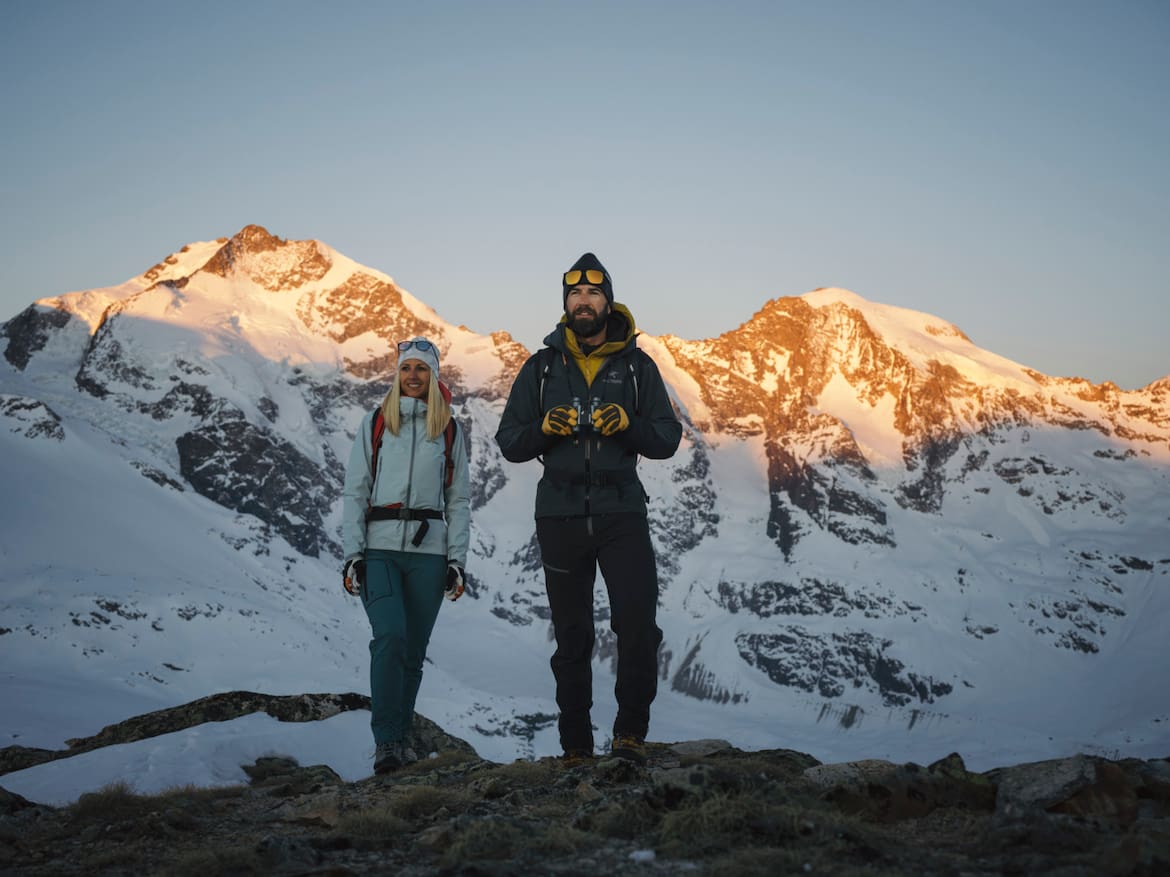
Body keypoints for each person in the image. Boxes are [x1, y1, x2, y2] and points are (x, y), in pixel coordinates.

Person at [495, 252, 682, 765]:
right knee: (573, 634)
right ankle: (575, 745)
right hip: (558, 513)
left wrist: (627, 423)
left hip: (621, 509)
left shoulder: (638, 367)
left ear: (608, 301)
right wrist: (544, 428)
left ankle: (629, 736)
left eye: (593, 293)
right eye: (575, 294)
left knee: (638, 624)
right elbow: (510, 441)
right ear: (566, 304)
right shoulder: (541, 368)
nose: (584, 301)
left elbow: (666, 438)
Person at [341, 337, 470, 775]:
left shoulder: (448, 429)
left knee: (413, 651)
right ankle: (386, 740)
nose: (412, 375)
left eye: (421, 369)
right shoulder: (377, 423)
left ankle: (399, 741)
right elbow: (355, 490)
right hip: (379, 551)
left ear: (434, 376)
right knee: (390, 637)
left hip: (429, 556)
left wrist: (456, 560)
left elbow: (459, 500)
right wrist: (352, 554)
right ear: (396, 375)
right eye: (405, 368)